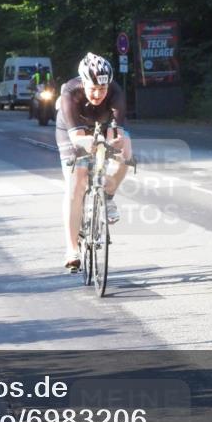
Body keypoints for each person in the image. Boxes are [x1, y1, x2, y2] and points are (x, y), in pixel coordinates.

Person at [56, 53, 132, 271]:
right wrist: (90, 143)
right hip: (72, 129)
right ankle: (71, 249)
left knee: (126, 153)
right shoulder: (69, 92)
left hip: (103, 122)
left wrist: (114, 145)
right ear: (83, 82)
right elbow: (77, 138)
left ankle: (107, 195)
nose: (98, 94)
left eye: (103, 89)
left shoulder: (116, 92)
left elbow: (115, 133)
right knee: (76, 182)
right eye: (93, 89)